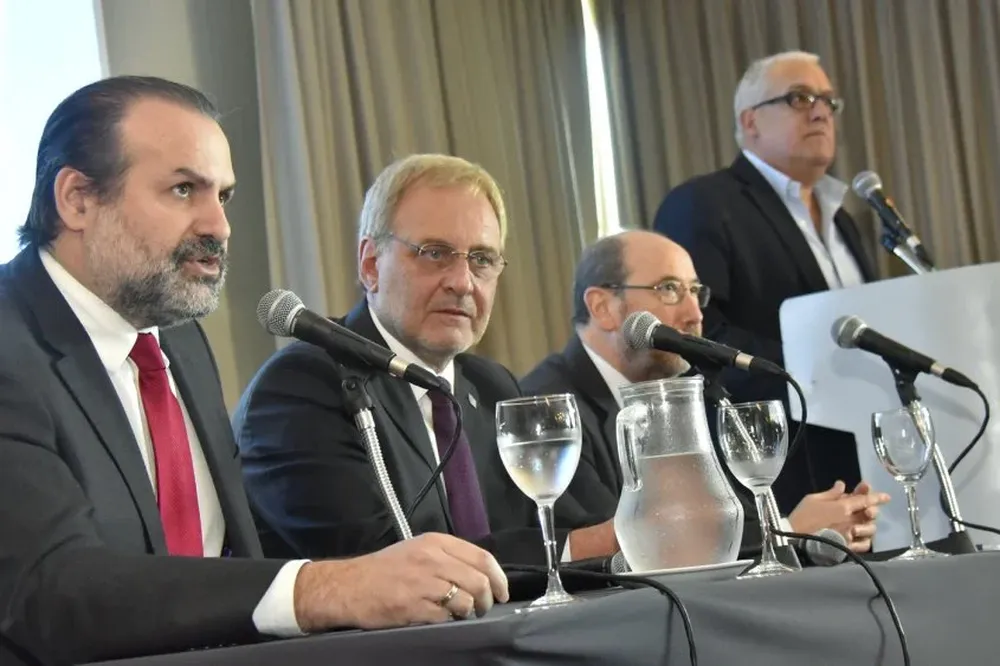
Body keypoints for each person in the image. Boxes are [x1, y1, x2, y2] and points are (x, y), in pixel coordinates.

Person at [0, 77, 507, 666]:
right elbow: (51, 591)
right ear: (78, 199)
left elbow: (228, 560)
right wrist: (328, 588)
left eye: (225, 197)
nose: (219, 226)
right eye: (184, 189)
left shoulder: (180, 343)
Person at [234, 154, 618, 565]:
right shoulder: (303, 386)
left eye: (482, 259)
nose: (462, 283)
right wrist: (580, 547)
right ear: (370, 265)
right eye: (435, 253)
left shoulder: (491, 387)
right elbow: (385, 567)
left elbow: (567, 523)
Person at [521, 231, 889, 555]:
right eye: (669, 289)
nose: (695, 313)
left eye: (696, 291)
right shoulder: (548, 406)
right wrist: (790, 532)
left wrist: (817, 535)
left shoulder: (686, 396)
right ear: (603, 308)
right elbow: (616, 540)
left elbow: (723, 514)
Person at [653, 51, 878, 511]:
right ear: (750, 122)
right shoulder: (704, 204)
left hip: (861, 462)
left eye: (828, 102)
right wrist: (816, 379)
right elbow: (699, 335)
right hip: (775, 470)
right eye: (800, 98)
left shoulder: (846, 222)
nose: (820, 111)